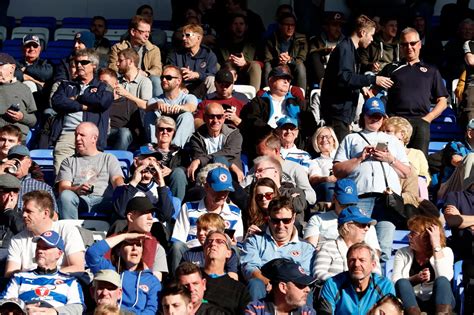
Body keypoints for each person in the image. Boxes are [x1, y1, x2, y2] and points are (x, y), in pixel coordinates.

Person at [333, 97, 411, 262]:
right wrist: (359, 158)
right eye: (371, 115)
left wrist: (390, 159)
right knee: (356, 245)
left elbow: (406, 172)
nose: (375, 119)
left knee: (383, 250)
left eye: (378, 116)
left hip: (387, 199)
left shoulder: (393, 141)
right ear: (363, 116)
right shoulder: (351, 138)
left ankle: (381, 286)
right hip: (360, 197)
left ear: (384, 118)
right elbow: (337, 170)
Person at [320, 15, 393, 142]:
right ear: (362, 32)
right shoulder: (345, 49)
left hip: (343, 112)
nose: (371, 39)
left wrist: (361, 86)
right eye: (371, 35)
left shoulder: (351, 50)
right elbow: (344, 77)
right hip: (337, 112)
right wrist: (373, 80)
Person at [382, 27, 448, 156]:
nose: (409, 47)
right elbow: (373, 93)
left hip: (421, 122)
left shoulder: (431, 70)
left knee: (419, 162)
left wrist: (427, 119)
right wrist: (384, 117)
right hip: (395, 122)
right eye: (405, 44)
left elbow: (443, 101)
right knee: (389, 159)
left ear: (419, 44)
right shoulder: (391, 68)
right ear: (400, 46)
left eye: (413, 43)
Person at [50, 49, 113, 173]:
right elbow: (57, 102)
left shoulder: (103, 86)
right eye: (77, 62)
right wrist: (83, 106)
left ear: (94, 65)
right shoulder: (66, 85)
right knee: (61, 175)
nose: (79, 65)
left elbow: (103, 101)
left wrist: (78, 98)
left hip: (91, 137)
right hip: (67, 134)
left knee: (88, 179)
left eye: (84, 62)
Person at [240, 196, 315, 301]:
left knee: (306, 290)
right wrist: (269, 283)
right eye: (275, 220)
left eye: (286, 220)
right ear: (269, 219)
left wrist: (285, 288)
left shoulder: (306, 248)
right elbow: (249, 268)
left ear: (293, 218)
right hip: (264, 288)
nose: (280, 225)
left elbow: (305, 275)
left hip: (292, 293)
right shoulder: (255, 241)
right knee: (255, 283)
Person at [170, 166, 243, 271]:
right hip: (192, 255)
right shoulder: (188, 208)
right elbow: (178, 239)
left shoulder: (235, 212)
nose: (222, 195)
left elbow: (238, 245)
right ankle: (177, 283)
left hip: (220, 256)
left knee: (234, 249)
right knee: (177, 247)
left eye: (226, 191)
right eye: (218, 190)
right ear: (206, 187)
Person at [5, 190, 85, 278]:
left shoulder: (67, 230)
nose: (23, 215)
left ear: (45, 213)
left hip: (61, 285)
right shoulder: (17, 240)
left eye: (29, 211)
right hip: (28, 287)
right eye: (23, 211)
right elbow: (9, 274)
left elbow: (78, 267)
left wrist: (43, 276)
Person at [0, 231, 84, 314]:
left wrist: (54, 312)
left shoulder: (70, 281)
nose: (40, 250)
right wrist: (23, 309)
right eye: (38, 247)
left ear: (59, 253)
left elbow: (77, 307)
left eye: (45, 248)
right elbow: (4, 302)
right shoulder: (19, 277)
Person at [240, 65, 311, 160]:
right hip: (268, 144)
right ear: (270, 80)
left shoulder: (298, 102)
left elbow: (311, 124)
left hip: (295, 144)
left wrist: (292, 132)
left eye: (288, 80)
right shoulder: (258, 102)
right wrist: (274, 132)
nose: (287, 82)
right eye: (283, 78)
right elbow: (252, 122)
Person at [56, 122, 125, 220]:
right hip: (79, 200)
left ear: (94, 138)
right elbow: (62, 188)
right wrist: (77, 189)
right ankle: (70, 231)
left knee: (122, 197)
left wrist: (120, 187)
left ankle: (115, 232)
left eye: (82, 135)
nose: (77, 138)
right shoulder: (68, 161)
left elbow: (117, 179)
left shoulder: (109, 158)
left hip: (103, 200)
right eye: (76, 135)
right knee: (66, 196)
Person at [85, 232, 161, 315]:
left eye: (138, 245)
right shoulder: (109, 270)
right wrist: (124, 236)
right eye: (129, 244)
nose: (134, 248)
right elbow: (92, 253)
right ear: (118, 251)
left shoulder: (151, 280)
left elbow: (152, 309)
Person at [392, 215, 455, 314]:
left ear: (427, 236)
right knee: (402, 283)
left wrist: (436, 245)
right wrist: (415, 279)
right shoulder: (402, 253)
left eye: (413, 233)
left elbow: (446, 277)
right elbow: (395, 281)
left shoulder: (446, 252)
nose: (409, 236)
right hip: (412, 302)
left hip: (439, 301)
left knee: (442, 280)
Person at [304, 178, 381, 253]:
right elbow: (309, 250)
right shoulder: (318, 219)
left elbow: (375, 253)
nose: (348, 207)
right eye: (344, 203)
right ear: (334, 198)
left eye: (352, 203)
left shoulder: (365, 223)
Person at [317, 242, 395, 315]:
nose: (356, 264)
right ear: (347, 263)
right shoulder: (332, 285)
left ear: (373, 265)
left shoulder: (385, 286)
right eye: (352, 260)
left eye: (362, 260)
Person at [109, 197, 170, 281]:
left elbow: (155, 284)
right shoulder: (112, 242)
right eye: (145, 213)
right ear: (130, 217)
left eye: (151, 213)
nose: (150, 218)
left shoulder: (156, 247)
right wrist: (124, 236)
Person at [112, 146, 175, 224]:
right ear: (136, 162)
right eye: (148, 159)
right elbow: (119, 212)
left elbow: (166, 216)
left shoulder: (164, 189)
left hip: (155, 231)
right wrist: (134, 183)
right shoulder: (123, 187)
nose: (152, 163)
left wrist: (161, 183)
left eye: (155, 160)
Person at [314, 206, 379, 281]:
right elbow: (318, 273)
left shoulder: (370, 251)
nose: (367, 228)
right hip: (335, 291)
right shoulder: (328, 247)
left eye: (368, 225)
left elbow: (377, 277)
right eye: (363, 224)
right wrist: (344, 284)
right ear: (347, 226)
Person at [187, 103, 243, 183]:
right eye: (211, 116)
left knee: (220, 159)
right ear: (204, 118)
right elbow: (198, 157)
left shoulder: (234, 134)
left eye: (219, 117)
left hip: (231, 177)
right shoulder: (196, 137)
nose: (215, 120)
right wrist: (199, 160)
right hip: (205, 178)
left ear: (224, 118)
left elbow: (229, 153)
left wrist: (200, 160)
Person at [254, 133, 316, 206]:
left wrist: (290, 198)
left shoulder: (295, 168)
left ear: (276, 151)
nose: (259, 159)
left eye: (263, 155)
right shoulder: (255, 169)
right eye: (258, 155)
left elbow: (311, 197)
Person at [108, 15, 163, 97]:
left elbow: (158, 69)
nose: (147, 35)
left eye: (148, 32)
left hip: (144, 79)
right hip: (123, 77)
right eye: (143, 32)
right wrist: (130, 72)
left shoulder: (154, 49)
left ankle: (157, 107)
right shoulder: (118, 48)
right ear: (133, 32)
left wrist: (146, 73)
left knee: (155, 79)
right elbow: (112, 67)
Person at [382, 116, 430, 203]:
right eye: (383, 131)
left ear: (402, 134)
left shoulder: (417, 154)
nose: (384, 134)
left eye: (388, 131)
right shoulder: (383, 152)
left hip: (411, 194)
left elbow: (425, 176)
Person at [146, 65, 198, 146]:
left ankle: (175, 148)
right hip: (160, 138)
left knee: (187, 115)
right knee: (150, 114)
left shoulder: (188, 97)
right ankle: (155, 146)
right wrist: (156, 105)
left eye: (168, 77)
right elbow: (148, 107)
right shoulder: (156, 100)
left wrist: (181, 107)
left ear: (178, 81)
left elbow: (192, 106)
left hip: (181, 141)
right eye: (162, 77)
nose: (164, 80)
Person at [201, 230, 251, 313]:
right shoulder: (191, 279)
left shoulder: (239, 290)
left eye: (220, 242)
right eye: (209, 241)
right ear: (204, 249)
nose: (213, 244)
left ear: (228, 253)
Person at [245, 258, 317, 314]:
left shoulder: (306, 312)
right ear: (283, 287)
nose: (308, 289)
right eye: (300, 285)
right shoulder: (255, 310)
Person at [167, 23, 218, 99]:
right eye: (183, 36)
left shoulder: (209, 55)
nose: (184, 38)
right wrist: (180, 77)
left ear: (198, 38)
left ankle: (209, 106)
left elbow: (213, 74)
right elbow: (168, 74)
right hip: (181, 88)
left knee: (211, 80)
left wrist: (197, 75)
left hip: (200, 89)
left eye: (187, 35)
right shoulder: (175, 54)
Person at [182, 213, 239, 280]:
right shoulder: (189, 254)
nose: (201, 233)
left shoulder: (229, 254)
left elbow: (233, 277)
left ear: (219, 232)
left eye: (206, 229)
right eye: (198, 229)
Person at [1, 145, 57, 212]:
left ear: (29, 163)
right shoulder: (1, 182)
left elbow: (54, 216)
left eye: (20, 158)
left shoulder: (42, 187)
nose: (15, 162)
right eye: (12, 159)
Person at [215, 13, 263, 92]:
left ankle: (255, 99)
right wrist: (227, 62)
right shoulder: (222, 44)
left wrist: (245, 63)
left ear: (246, 27)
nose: (238, 27)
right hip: (226, 71)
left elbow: (261, 62)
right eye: (235, 24)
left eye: (241, 24)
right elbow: (216, 61)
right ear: (231, 26)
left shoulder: (253, 44)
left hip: (245, 72)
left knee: (255, 66)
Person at [98, 68, 143, 151]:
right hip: (101, 133)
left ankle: (116, 161)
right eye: (99, 83)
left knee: (124, 132)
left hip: (121, 134)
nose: (102, 85)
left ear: (116, 84)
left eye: (105, 82)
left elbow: (137, 130)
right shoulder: (96, 101)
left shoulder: (129, 104)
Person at [263, 12, 307, 89]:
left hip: (293, 66)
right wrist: (279, 60)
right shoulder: (271, 39)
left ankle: (301, 95)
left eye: (292, 25)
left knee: (300, 65)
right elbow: (268, 58)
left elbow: (301, 58)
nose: (290, 28)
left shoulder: (302, 39)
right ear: (280, 26)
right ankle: (267, 92)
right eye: (287, 25)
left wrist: (289, 60)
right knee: (267, 65)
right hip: (276, 65)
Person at [0, 52, 37, 139]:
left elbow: (33, 120)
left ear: (12, 68)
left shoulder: (24, 89)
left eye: (0, 66)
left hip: (17, 138)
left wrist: (22, 117)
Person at [307, 12, 346, 88]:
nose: (338, 29)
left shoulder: (346, 42)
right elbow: (311, 55)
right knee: (314, 55)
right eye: (334, 25)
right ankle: (325, 85)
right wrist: (323, 51)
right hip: (321, 77)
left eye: (340, 26)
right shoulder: (315, 40)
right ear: (326, 26)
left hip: (339, 77)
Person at [15, 34, 53, 108]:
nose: (32, 49)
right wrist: (36, 81)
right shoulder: (16, 63)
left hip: (41, 102)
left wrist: (26, 69)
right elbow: (13, 75)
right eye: (28, 46)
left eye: (35, 46)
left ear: (39, 49)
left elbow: (46, 74)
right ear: (23, 48)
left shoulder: (46, 63)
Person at [308, 126, 339, 204]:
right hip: (328, 190)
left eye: (328, 136)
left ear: (334, 140)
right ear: (316, 142)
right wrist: (327, 179)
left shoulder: (343, 156)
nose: (324, 139)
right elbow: (313, 179)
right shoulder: (315, 161)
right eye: (321, 137)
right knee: (328, 187)